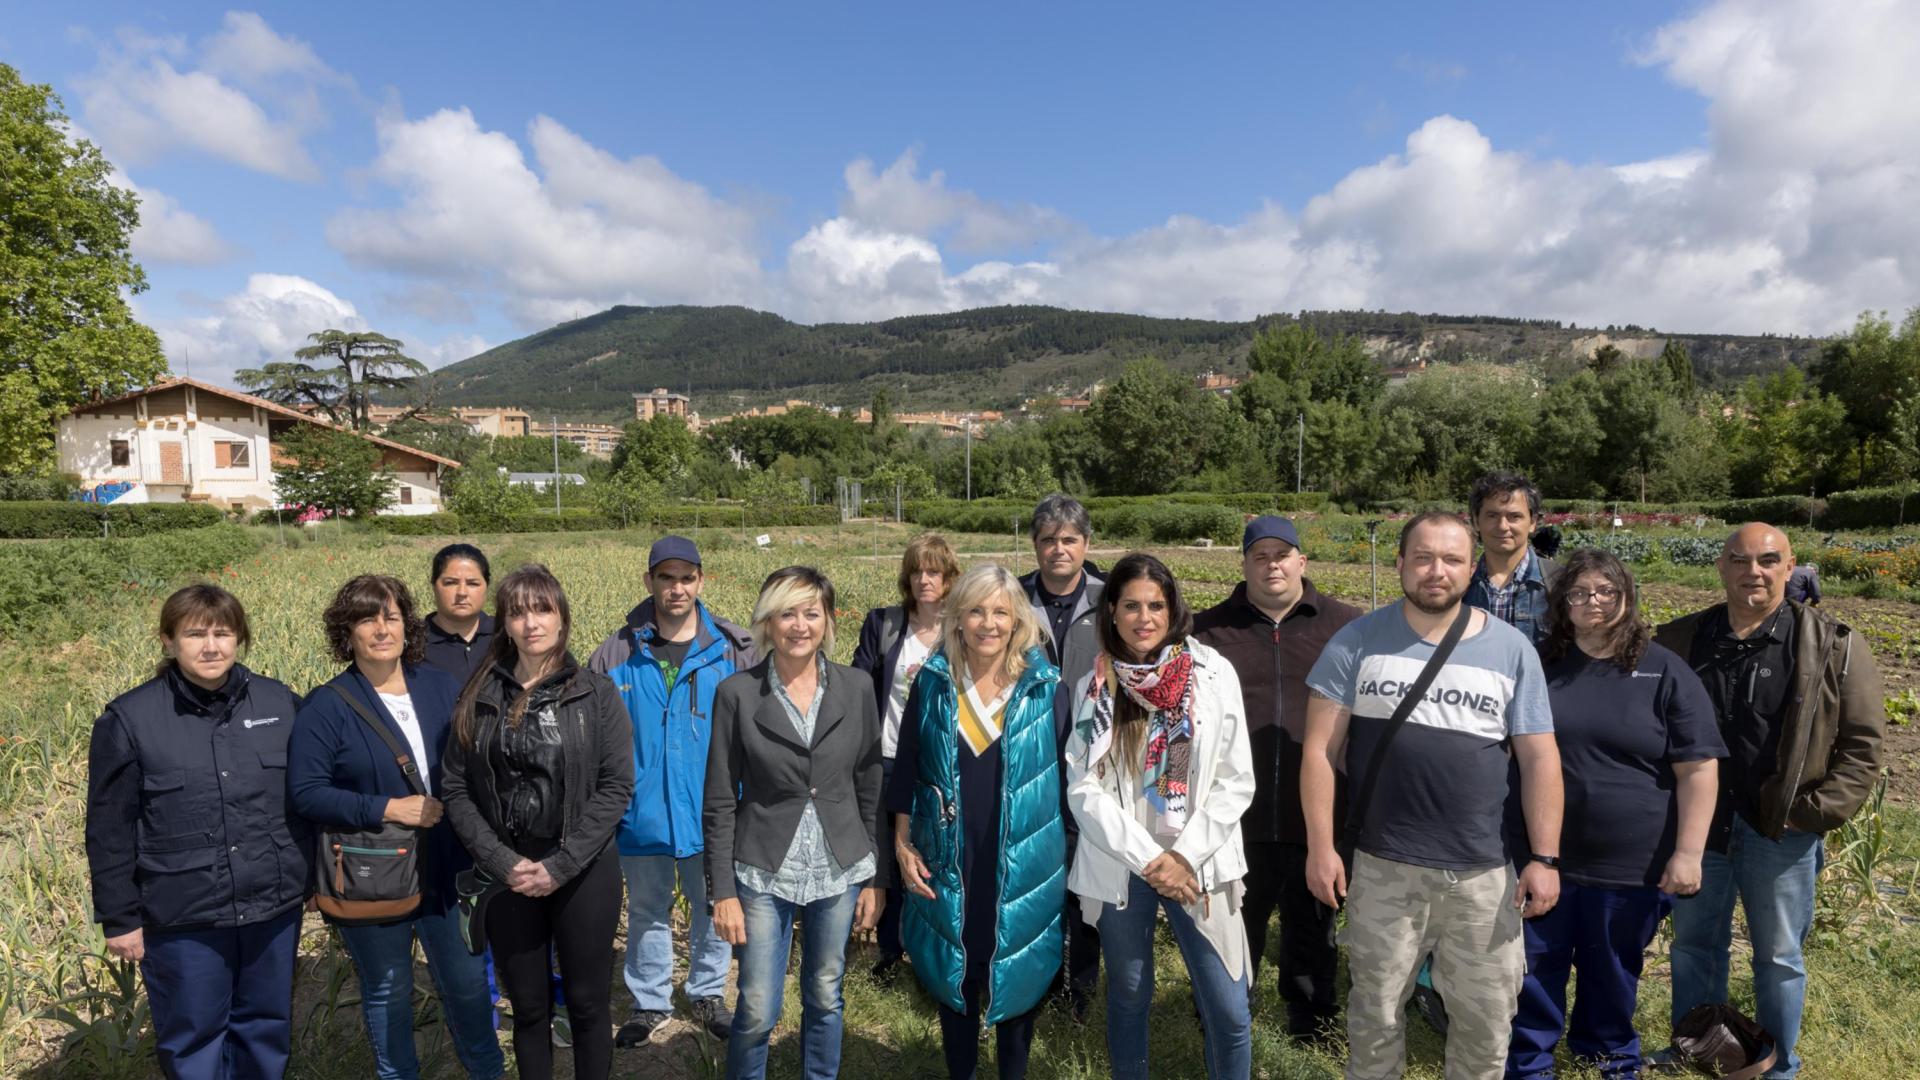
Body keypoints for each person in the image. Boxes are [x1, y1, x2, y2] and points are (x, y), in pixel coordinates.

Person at [1302, 510, 1562, 1080]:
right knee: (1374, 1014)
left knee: (1486, 1022)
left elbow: (1540, 757)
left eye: (1450, 559)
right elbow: (1320, 752)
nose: (1435, 571)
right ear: (1400, 563)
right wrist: (1321, 848)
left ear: (1471, 570)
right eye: (1422, 558)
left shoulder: (1512, 650)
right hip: (1382, 868)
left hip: (1481, 877)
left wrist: (1544, 857)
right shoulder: (1357, 641)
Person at [1653, 524, 1886, 1079]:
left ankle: (1777, 1064)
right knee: (1692, 947)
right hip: (1700, 829)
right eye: (1739, 559)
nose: (1751, 571)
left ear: (1790, 565)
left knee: (1779, 959)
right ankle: (1699, 1049)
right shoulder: (1680, 639)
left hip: (1780, 830)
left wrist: (1813, 813)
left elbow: (1863, 745)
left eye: (1767, 559)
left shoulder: (1833, 643)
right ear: (1720, 566)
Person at [1506, 549, 1723, 1080]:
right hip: (1542, 853)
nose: (1593, 603)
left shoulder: (1663, 669)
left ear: (1627, 597)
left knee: (1611, 968)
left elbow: (1698, 768)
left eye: (1606, 591)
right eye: (1579, 593)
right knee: (1535, 967)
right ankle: (1529, 1062)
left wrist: (1689, 853)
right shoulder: (1539, 664)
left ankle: (1605, 1054)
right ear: (1561, 604)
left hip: (1631, 861)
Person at [86, 584, 308, 1080]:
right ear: (168, 641)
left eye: (223, 633)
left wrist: (314, 878)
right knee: (192, 1036)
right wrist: (119, 917)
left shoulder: (281, 703)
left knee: (265, 1026)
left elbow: (306, 798)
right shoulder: (130, 719)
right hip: (181, 913)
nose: (211, 646)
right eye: (195, 634)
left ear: (240, 639)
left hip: (272, 907)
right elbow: (108, 827)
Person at [289, 575, 506, 1080]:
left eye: (390, 617)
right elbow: (307, 792)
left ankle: (489, 1071)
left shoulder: (439, 686)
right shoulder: (329, 704)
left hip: (449, 865)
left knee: (468, 984)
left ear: (407, 626)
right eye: (367, 619)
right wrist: (389, 808)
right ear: (347, 633)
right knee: (388, 990)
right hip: (374, 871)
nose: (381, 629)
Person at [1065, 552, 1256, 1080]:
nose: (1144, 617)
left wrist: (1184, 857)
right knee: (1128, 996)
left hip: (1202, 863)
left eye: (1156, 605)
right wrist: (1154, 860)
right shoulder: (1097, 687)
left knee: (1229, 1009)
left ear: (1173, 610)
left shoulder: (1213, 675)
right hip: (1124, 865)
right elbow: (1083, 786)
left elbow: (1235, 778)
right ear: (1112, 612)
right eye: (1131, 605)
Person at [440, 565, 635, 1080]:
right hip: (508, 874)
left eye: (542, 609)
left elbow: (617, 787)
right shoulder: (479, 698)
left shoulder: (596, 694)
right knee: (528, 1009)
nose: (531, 623)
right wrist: (503, 861)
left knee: (588, 1004)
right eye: (518, 611)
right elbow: (456, 788)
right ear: (503, 622)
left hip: (584, 870)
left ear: (562, 618)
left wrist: (562, 864)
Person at [705, 566, 885, 1080]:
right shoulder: (737, 694)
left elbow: (869, 784)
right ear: (767, 622)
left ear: (829, 620)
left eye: (812, 612)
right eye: (788, 613)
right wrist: (723, 892)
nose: (800, 625)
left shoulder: (856, 688)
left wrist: (875, 879)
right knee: (758, 1004)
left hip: (838, 865)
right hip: (762, 868)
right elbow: (719, 798)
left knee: (826, 992)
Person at [889, 563, 1064, 1080]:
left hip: (1022, 856)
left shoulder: (1045, 688)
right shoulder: (934, 683)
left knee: (1017, 966)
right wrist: (901, 842)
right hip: (950, 853)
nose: (989, 623)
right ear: (957, 618)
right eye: (976, 611)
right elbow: (907, 767)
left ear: (1017, 622)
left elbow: (1068, 781)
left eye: (1001, 613)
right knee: (956, 967)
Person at [1192, 516, 1360, 1044]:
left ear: (1302, 562)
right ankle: (1225, 1014)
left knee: (1313, 924)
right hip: (1233, 816)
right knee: (1232, 924)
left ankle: (1312, 1021)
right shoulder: (1207, 631)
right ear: (1243, 565)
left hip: (1318, 812)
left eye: (1282, 554)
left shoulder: (1346, 626)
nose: (1272, 565)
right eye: (1259, 556)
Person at [587, 535, 756, 1045]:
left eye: (686, 577)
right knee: (646, 909)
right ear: (650, 582)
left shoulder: (733, 649)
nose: (676, 587)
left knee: (712, 906)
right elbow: (595, 738)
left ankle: (707, 994)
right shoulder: (615, 653)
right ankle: (650, 1001)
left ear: (701, 582)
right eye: (666, 577)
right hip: (643, 813)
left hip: (714, 812)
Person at [852, 532, 960, 984]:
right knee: (890, 854)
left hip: (938, 764)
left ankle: (932, 947)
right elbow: (859, 687)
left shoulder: (961, 629)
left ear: (950, 577)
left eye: (933, 571)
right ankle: (891, 951)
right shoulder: (885, 624)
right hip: (888, 757)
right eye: (916, 571)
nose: (923, 579)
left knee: (934, 853)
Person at [1018, 493, 1106, 1017]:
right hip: (1029, 762)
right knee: (1035, 873)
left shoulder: (1109, 597)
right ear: (1035, 545)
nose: (1058, 549)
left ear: (1086, 544)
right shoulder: (1011, 599)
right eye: (1048, 540)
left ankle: (1082, 986)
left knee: (1087, 875)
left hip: (1092, 761)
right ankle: (1037, 979)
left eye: (1069, 540)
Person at [1465, 471, 1561, 647]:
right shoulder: (1459, 585)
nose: (1502, 526)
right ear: (1476, 521)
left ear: (1532, 522)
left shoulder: (1558, 582)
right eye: (1492, 515)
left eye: (1514, 516)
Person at [425, 543, 496, 683]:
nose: (462, 593)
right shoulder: (413, 643)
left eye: (472, 583)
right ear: (434, 586)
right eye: (450, 583)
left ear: (486, 586)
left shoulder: (506, 636)